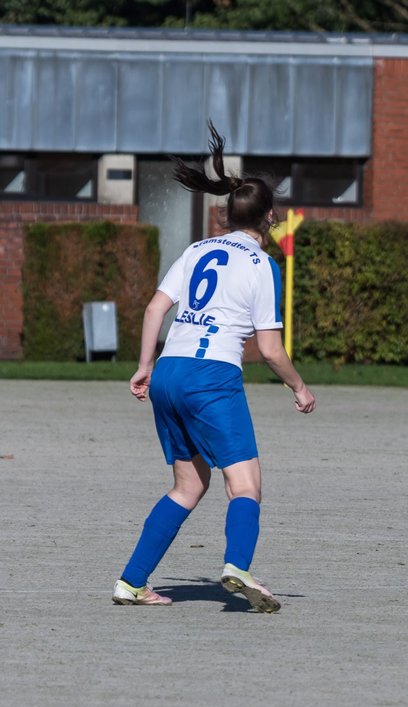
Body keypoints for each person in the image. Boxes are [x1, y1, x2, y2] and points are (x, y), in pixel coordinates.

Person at [111, 122, 316, 611]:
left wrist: (145, 366)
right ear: (269, 218)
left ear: (226, 215)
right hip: (211, 378)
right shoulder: (263, 266)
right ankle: (237, 568)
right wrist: (299, 387)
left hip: (169, 372)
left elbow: (154, 310)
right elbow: (269, 349)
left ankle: (131, 581)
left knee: (188, 485)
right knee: (244, 485)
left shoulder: (196, 249)